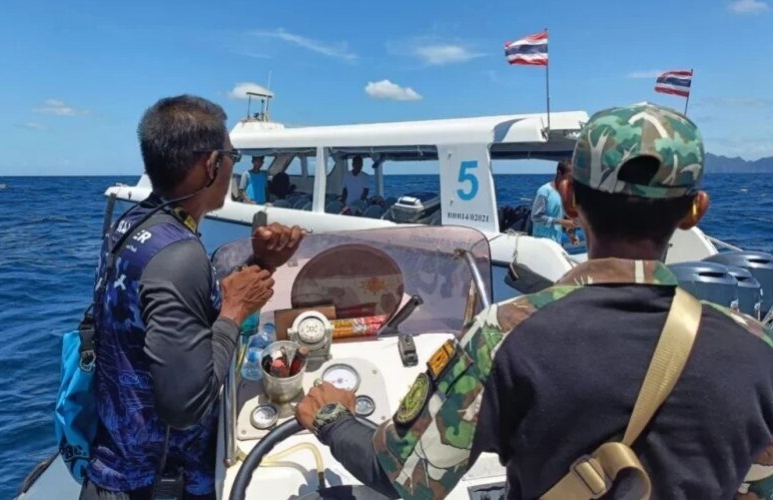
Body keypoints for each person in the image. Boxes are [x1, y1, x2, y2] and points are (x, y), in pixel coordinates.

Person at [295, 103, 773, 499]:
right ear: (696, 211)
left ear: (569, 199)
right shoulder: (757, 349)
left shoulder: (505, 334)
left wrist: (332, 417)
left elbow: (408, 478)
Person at [82, 95, 304, 499]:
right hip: (155, 486)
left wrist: (261, 263)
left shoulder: (133, 225)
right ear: (211, 164)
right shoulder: (180, 255)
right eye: (233, 156)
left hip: (114, 467)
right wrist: (235, 312)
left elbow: (178, 312)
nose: (234, 165)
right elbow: (186, 406)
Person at [531, 159, 577, 243]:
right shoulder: (544, 191)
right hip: (541, 243)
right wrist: (560, 221)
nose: (572, 179)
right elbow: (535, 217)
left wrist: (571, 235)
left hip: (556, 243)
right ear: (559, 173)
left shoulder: (566, 193)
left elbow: (563, 218)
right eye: (570, 175)